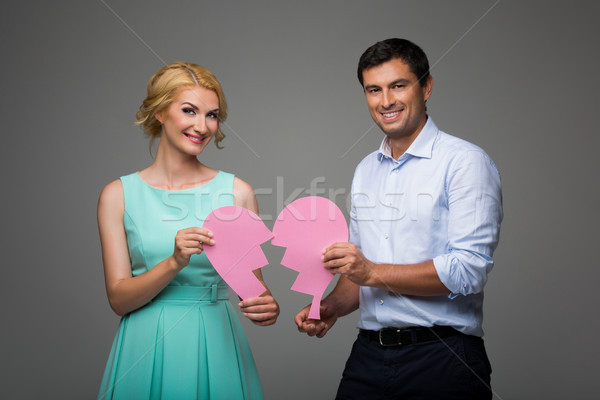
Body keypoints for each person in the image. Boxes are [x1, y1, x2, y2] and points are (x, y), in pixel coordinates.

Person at [295, 38, 503, 399]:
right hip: (369, 356)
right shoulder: (365, 170)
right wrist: (330, 306)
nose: (386, 101)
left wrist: (371, 271)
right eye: (374, 90)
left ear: (427, 86)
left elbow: (468, 271)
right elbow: (359, 270)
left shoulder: (465, 162)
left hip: (443, 357)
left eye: (398, 86)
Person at [97, 62, 279, 399]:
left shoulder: (238, 192)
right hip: (144, 345)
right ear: (160, 113)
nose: (202, 126)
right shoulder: (117, 195)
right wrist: (174, 261)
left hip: (216, 341)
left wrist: (267, 308)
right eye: (189, 111)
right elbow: (119, 300)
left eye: (212, 115)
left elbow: (255, 292)